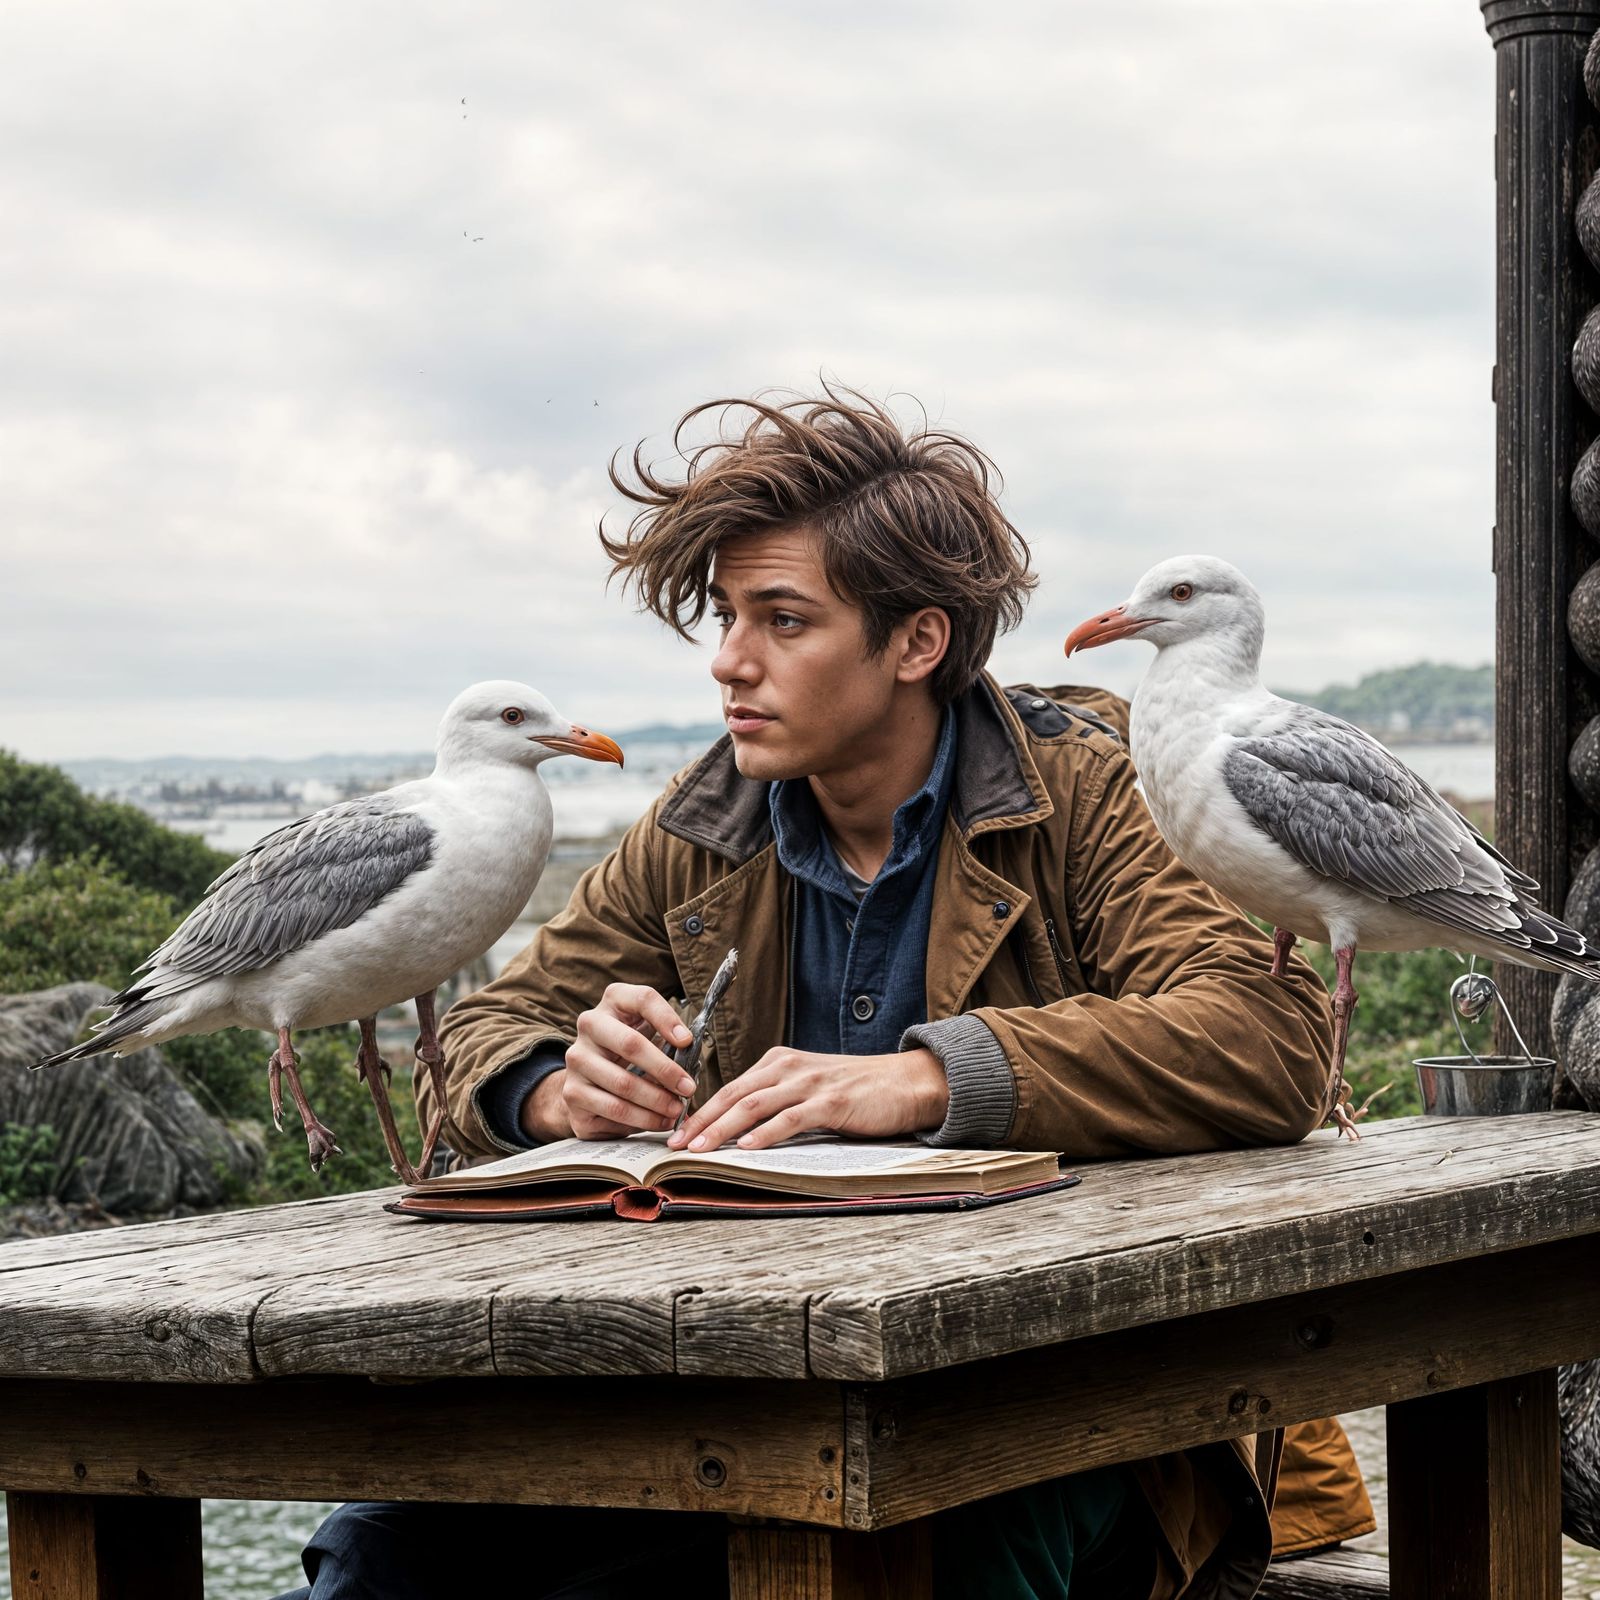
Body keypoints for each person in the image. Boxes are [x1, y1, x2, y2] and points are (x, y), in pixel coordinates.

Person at [276, 387, 1369, 1599]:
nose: (729, 661)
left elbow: (1265, 1040)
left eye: (782, 620)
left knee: (931, 1546)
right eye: (728, 616)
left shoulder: (1101, 786)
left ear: (917, 643)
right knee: (385, 1551)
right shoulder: (700, 824)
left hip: (1070, 1404)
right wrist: (549, 1090)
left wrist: (925, 1078)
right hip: (736, 1409)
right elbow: (487, 1025)